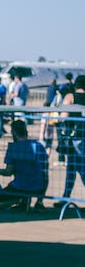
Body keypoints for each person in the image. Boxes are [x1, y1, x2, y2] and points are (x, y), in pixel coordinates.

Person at [0, 120, 48, 211]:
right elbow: (45, 171)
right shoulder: (39, 146)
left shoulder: (13, 148)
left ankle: (19, 200)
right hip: (37, 187)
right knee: (44, 175)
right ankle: (38, 202)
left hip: (19, 187)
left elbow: (9, 172)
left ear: (14, 132)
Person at [57, 75, 85, 206]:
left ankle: (65, 198)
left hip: (75, 138)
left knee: (76, 169)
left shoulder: (70, 97)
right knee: (74, 168)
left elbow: (63, 117)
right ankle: (65, 197)